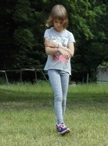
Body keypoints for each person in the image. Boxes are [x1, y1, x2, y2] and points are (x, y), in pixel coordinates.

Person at [44, 5, 75, 135]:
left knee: (64, 98)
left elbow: (71, 53)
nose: (57, 24)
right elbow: (47, 50)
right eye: (55, 21)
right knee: (58, 96)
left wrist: (57, 46)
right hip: (53, 68)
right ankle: (60, 123)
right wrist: (59, 48)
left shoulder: (69, 35)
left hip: (65, 69)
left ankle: (61, 124)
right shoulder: (48, 32)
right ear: (52, 19)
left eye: (60, 22)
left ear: (64, 21)